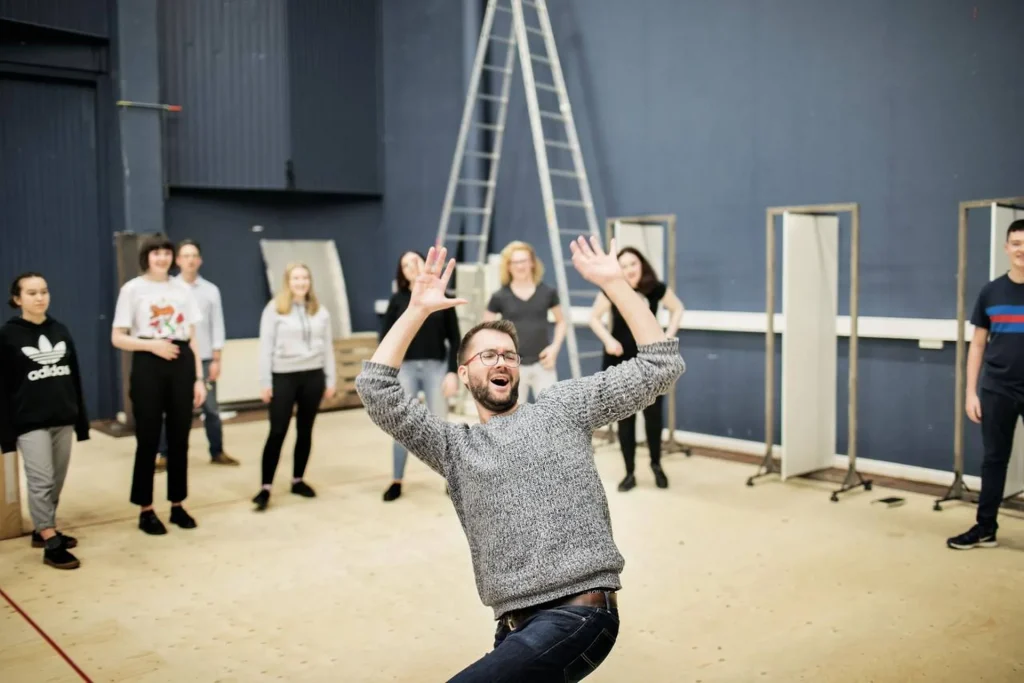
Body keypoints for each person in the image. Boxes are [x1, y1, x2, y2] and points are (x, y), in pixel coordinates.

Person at [355, 237, 686, 681]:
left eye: (510, 355)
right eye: (488, 354)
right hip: (513, 625)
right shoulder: (453, 447)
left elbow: (659, 366)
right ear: (464, 373)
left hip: (580, 613)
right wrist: (414, 311)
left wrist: (616, 286)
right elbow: (377, 390)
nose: (503, 361)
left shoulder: (562, 407)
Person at [111, 234, 207, 535]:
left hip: (180, 361)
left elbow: (192, 336)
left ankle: (177, 504)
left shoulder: (182, 289)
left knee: (180, 437)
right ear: (147, 257)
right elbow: (118, 337)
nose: (162, 258)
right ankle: (146, 509)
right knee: (148, 439)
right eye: (156, 253)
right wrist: (152, 345)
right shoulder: (133, 290)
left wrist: (199, 378)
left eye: (167, 253)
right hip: (149, 362)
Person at [0, 273, 91, 569]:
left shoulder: (60, 330)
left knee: (57, 480)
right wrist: (6, 434)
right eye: (31, 293)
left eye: (43, 291)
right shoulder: (8, 335)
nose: (40, 298)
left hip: (62, 418)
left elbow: (74, 378)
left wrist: (81, 422)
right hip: (29, 421)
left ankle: (43, 528)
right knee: (41, 480)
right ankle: (51, 542)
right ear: (17, 299)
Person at [949, 218, 1024, 550]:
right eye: (1017, 243)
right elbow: (977, 344)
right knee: (994, 459)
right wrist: (970, 393)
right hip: (997, 389)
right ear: (1007, 248)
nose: (1022, 250)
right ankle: (986, 527)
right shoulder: (990, 292)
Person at [589, 246, 684, 492]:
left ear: (642, 265)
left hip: (650, 363)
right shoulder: (612, 288)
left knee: (653, 418)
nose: (629, 269)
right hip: (620, 362)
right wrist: (609, 341)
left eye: (633, 263)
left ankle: (656, 465)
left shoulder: (654, 288)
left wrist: (667, 337)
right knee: (625, 419)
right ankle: (629, 472)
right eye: (623, 265)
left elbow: (678, 309)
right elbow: (593, 318)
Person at [253, 262, 336, 511]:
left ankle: (298, 480)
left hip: (313, 376)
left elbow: (328, 347)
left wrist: (330, 379)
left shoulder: (320, 311)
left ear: (309, 282)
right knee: (278, 430)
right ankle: (265, 486)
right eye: (296, 278)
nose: (301, 283)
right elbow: (265, 347)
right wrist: (265, 381)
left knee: (305, 430)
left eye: (305, 278)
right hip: (283, 376)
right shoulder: (275, 309)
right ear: (288, 282)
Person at [379, 250, 460, 502]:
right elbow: (386, 340)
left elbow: (455, 338)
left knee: (441, 425)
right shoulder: (397, 300)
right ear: (401, 272)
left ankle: (452, 479)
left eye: (414, 261)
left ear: (425, 263)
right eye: (404, 264)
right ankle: (396, 479)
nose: (410, 267)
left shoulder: (440, 298)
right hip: (407, 369)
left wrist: (452, 372)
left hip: (436, 366)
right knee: (401, 424)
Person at [156, 239, 237, 470]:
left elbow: (217, 324)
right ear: (178, 260)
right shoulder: (168, 289)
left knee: (211, 408)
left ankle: (217, 451)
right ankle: (164, 454)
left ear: (199, 261)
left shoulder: (211, 291)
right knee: (169, 409)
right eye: (185, 256)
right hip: (177, 357)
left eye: (194, 256)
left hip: (204, 358)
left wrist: (217, 357)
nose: (190, 260)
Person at [484, 240, 566, 403]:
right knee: (513, 417)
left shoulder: (548, 292)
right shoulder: (499, 296)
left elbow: (561, 322)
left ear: (532, 264)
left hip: (543, 364)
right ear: (508, 266)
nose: (520, 266)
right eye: (515, 262)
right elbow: (486, 330)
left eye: (523, 261)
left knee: (550, 413)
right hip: (512, 366)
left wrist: (554, 348)